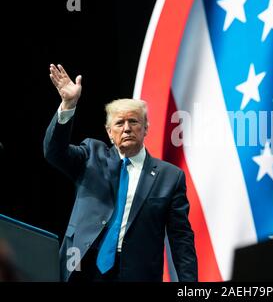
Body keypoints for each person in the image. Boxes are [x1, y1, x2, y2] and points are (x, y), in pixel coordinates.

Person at [44, 64, 197, 282]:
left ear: (146, 128)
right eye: (119, 123)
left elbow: (181, 238)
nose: (126, 128)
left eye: (133, 121)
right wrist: (68, 104)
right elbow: (54, 152)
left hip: (137, 273)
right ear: (109, 132)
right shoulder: (91, 155)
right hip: (81, 265)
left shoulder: (169, 177)